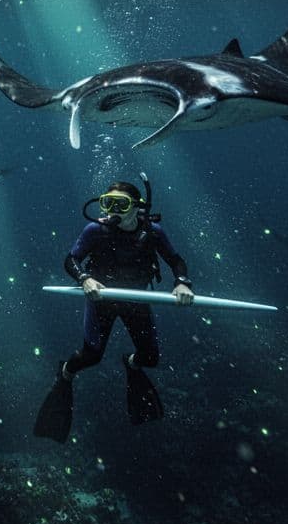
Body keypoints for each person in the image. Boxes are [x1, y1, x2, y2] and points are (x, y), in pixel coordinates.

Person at [33, 176, 194, 443]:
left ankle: (131, 365)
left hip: (136, 301)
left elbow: (176, 261)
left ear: (137, 207)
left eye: (120, 204)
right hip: (102, 302)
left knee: (150, 358)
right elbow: (71, 259)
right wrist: (84, 278)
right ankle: (65, 374)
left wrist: (182, 283)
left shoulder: (153, 232)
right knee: (92, 356)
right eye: (108, 204)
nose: (112, 212)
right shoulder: (95, 231)